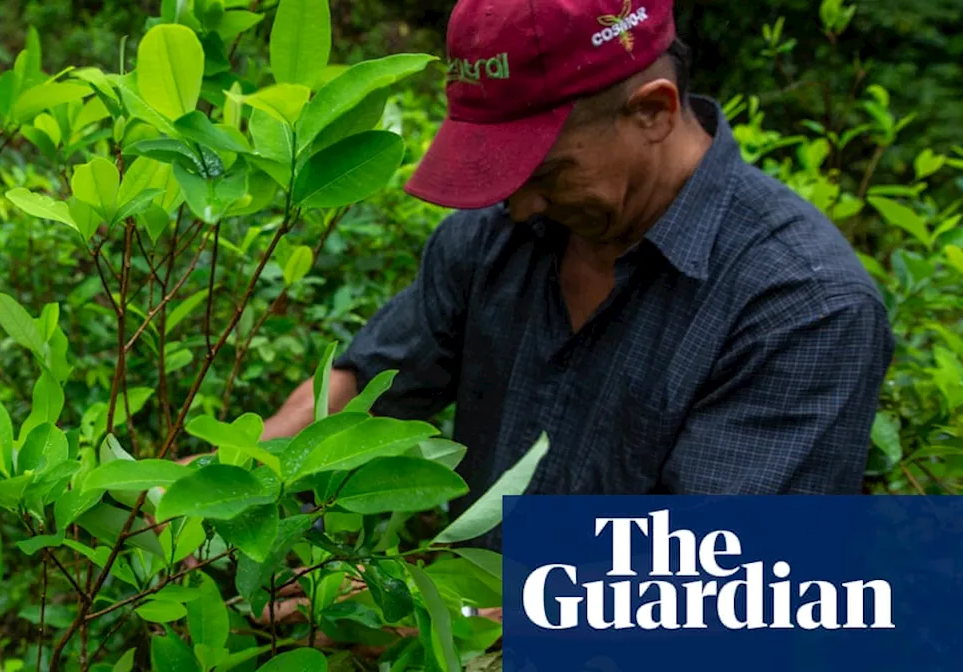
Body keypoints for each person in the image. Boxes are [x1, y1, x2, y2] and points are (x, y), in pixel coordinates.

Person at [239, 0, 894, 552]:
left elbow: (710, 589)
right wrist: (226, 481)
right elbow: (368, 383)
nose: (519, 206)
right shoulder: (498, 237)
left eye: (545, 173)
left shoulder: (802, 305)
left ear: (654, 113)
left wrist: (415, 625)